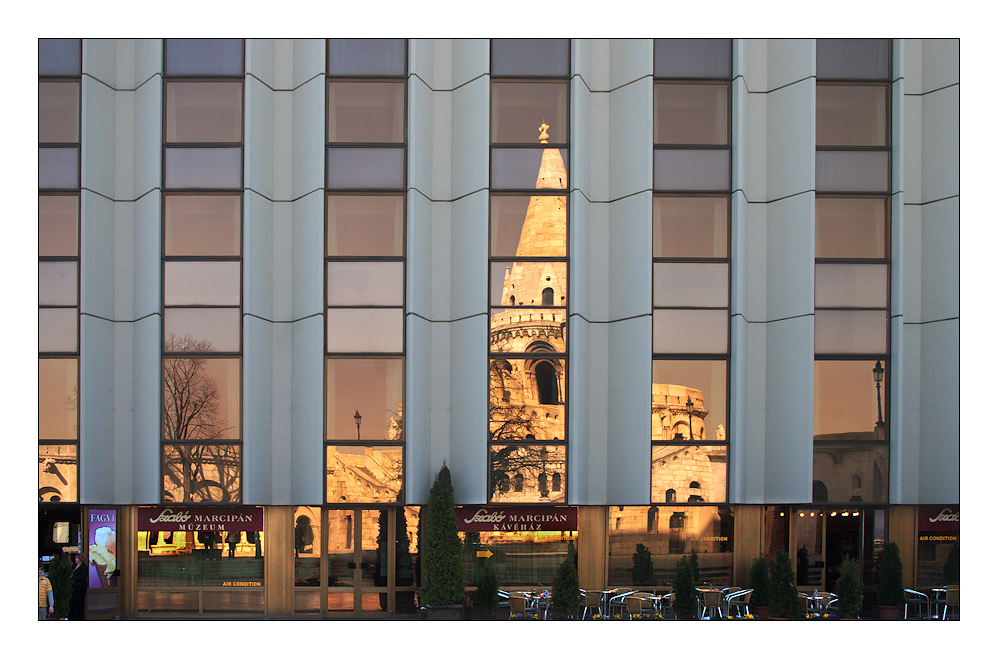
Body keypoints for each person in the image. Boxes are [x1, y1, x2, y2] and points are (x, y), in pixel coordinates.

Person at [69, 553, 88, 620]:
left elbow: (83, 576)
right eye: (75, 558)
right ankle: (72, 617)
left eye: (77, 558)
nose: (75, 560)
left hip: (80, 588)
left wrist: (73, 577)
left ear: (80, 559)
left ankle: (80, 618)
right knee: (73, 603)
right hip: (74, 587)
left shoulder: (83, 567)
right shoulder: (74, 566)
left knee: (80, 604)